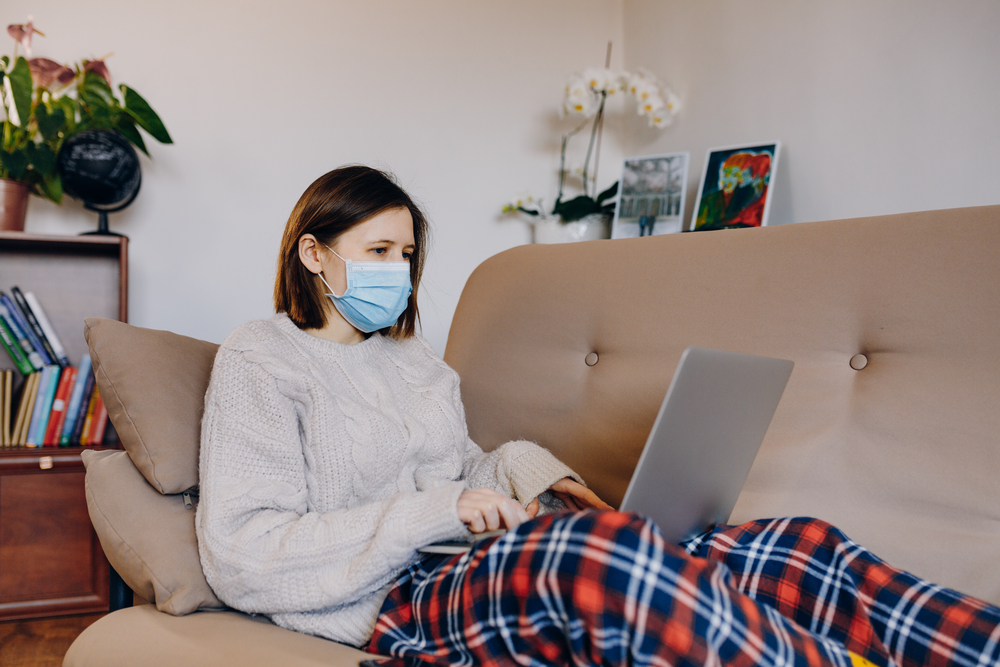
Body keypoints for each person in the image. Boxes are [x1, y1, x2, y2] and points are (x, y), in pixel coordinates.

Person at [196, 165, 1000, 667]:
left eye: (407, 256)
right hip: (394, 599)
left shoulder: (417, 364)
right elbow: (243, 551)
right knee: (605, 560)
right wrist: (437, 512)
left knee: (794, 547)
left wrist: (540, 478)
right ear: (313, 253)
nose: (399, 273)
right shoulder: (261, 359)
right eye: (378, 252)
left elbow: (463, 472)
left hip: (473, 558)